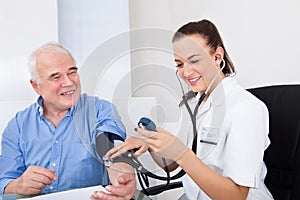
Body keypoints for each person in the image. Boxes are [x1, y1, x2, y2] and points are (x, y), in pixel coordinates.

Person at [103, 19, 274, 200]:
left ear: (217, 57)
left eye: (194, 60)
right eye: (179, 64)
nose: (186, 72)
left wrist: (181, 153)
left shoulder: (246, 109)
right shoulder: (196, 103)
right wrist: (153, 143)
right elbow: (172, 167)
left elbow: (236, 196)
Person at [0, 42, 136, 200]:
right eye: (56, 77)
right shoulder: (18, 126)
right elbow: (4, 182)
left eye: (72, 72)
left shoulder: (101, 110)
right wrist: (18, 185)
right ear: (36, 86)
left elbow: (110, 143)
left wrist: (121, 171)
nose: (69, 83)